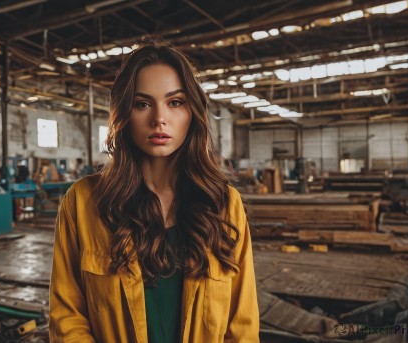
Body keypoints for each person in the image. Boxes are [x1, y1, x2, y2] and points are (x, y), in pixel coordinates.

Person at [49, 44, 259, 342]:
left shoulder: (224, 205)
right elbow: (67, 317)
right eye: (142, 104)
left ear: (192, 113)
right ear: (124, 114)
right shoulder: (82, 202)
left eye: (175, 102)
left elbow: (243, 325)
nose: (159, 118)